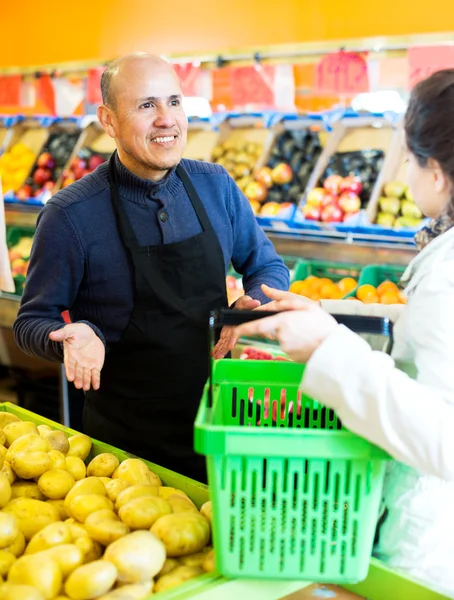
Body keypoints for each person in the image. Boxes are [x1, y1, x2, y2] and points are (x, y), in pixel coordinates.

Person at [13, 53, 289, 482]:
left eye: (174, 102)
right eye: (146, 106)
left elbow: (267, 266)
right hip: (125, 454)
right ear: (108, 120)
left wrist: (250, 304)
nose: (167, 119)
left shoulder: (216, 185)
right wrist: (68, 337)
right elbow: (30, 322)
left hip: (217, 429)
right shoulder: (70, 215)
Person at [234, 70, 454, 598]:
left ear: (439, 173)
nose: (401, 169)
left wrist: (327, 349)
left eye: (408, 157)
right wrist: (333, 318)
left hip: (434, 550)